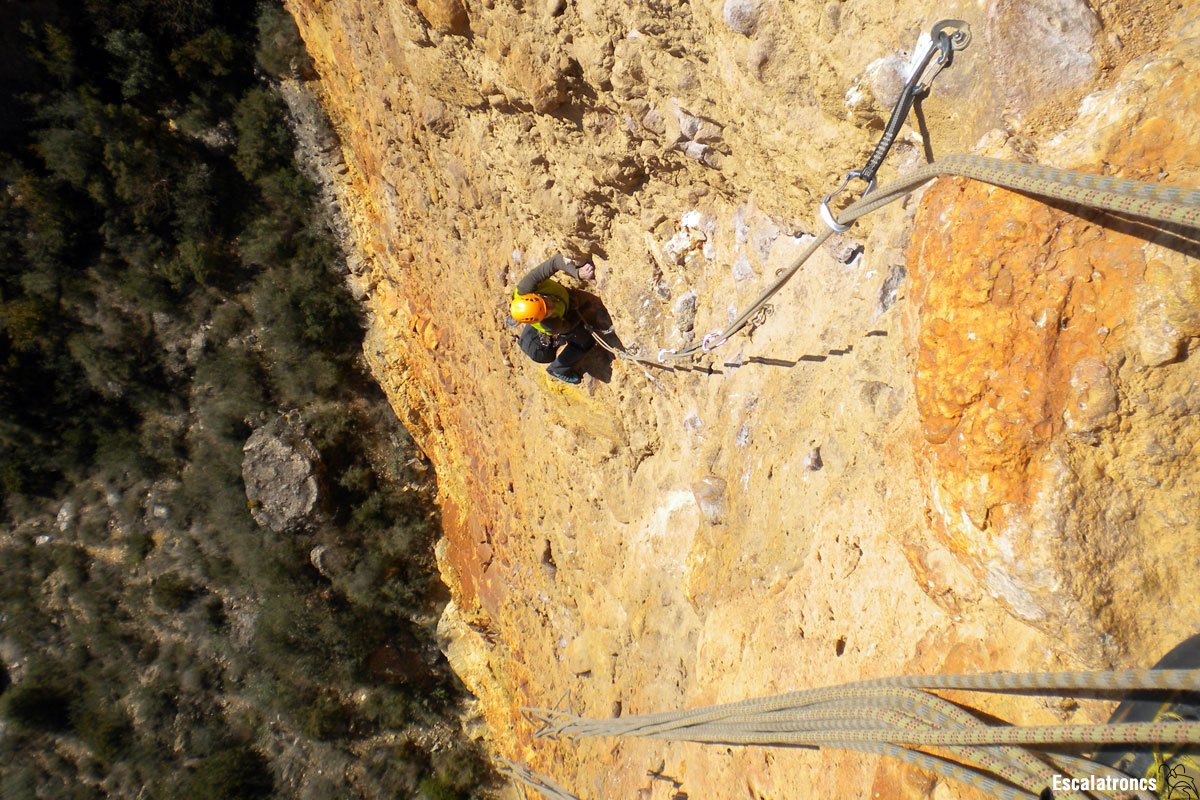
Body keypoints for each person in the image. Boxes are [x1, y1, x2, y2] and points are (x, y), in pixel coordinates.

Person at [509, 253, 599, 385]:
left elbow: (555, 262)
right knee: (585, 340)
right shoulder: (550, 324)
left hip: (548, 312)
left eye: (545, 303)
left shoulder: (526, 287)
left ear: (536, 295)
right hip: (559, 322)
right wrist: (586, 306)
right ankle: (558, 369)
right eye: (546, 313)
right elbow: (570, 324)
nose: (551, 308)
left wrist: (578, 273)